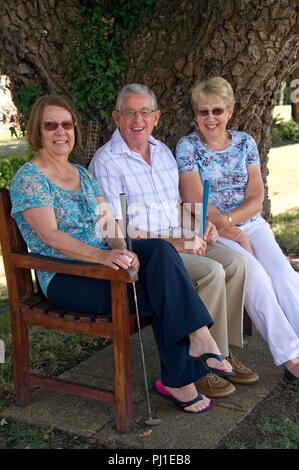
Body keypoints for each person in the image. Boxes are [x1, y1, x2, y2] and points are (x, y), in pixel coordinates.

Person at [9, 94, 239, 415]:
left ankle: (198, 338)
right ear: (38, 130)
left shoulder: (81, 173)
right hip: (68, 277)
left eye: (66, 124)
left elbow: (108, 222)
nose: (60, 132)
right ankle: (181, 375)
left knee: (160, 252)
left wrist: (120, 248)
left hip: (104, 265)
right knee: (162, 288)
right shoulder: (30, 179)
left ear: (74, 129)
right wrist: (102, 257)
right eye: (51, 125)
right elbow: (51, 236)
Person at [88, 83, 259, 400]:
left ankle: (221, 350)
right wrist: (179, 244)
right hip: (147, 251)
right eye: (129, 113)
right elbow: (114, 230)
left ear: (156, 117)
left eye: (144, 112)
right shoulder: (107, 162)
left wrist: (201, 225)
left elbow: (178, 208)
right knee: (211, 271)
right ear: (116, 117)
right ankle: (201, 366)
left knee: (237, 262)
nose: (137, 120)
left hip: (177, 236)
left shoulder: (163, 152)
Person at [175, 76, 299, 380]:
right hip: (213, 232)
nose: (210, 119)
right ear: (195, 114)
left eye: (217, 111)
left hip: (251, 225)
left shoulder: (245, 143)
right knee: (256, 276)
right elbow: (196, 203)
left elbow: (257, 198)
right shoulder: (188, 147)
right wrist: (234, 233)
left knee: (283, 274)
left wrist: (239, 226)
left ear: (230, 111)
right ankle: (291, 358)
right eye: (203, 112)